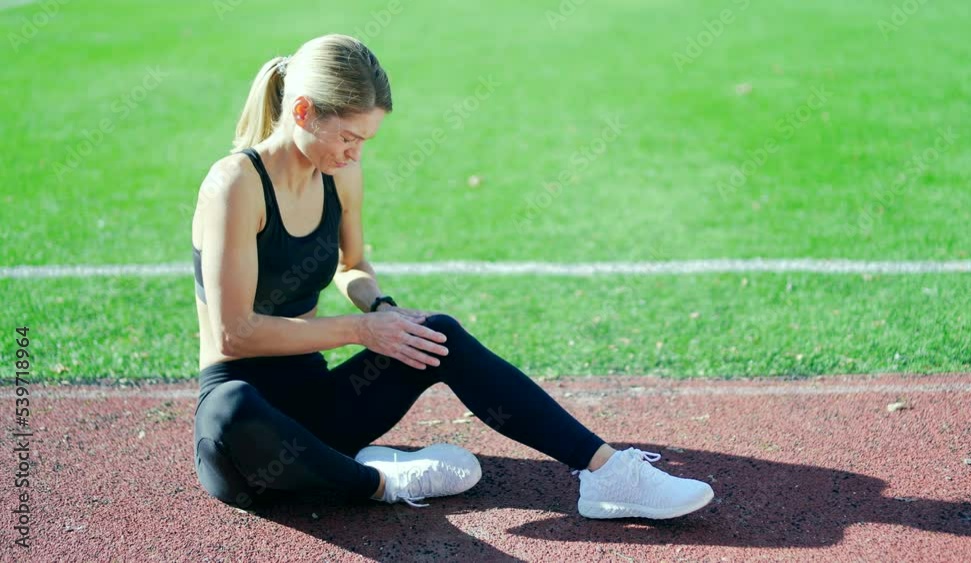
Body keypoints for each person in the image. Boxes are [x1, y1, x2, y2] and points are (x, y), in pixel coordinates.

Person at [190, 33, 714, 519]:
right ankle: (381, 481)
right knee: (235, 408)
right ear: (302, 111)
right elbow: (235, 333)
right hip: (243, 438)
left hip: (318, 412)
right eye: (348, 137)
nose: (355, 153)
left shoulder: (340, 174)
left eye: (365, 140)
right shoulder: (235, 184)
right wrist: (360, 330)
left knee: (436, 333)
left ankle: (607, 472)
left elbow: (352, 267)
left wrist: (382, 310)